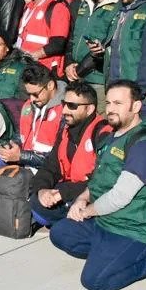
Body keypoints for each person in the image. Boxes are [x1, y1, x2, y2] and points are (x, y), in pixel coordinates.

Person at [49, 80, 146, 290]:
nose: (111, 109)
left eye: (118, 103)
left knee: (95, 281)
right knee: (60, 233)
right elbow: (99, 181)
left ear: (136, 106)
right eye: (109, 102)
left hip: (137, 227)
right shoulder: (113, 137)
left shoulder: (145, 144)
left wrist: (87, 211)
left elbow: (120, 196)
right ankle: (109, 255)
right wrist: (82, 198)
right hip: (108, 220)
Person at [30, 81, 111, 227]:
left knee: (62, 230)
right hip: (68, 193)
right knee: (36, 201)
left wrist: (64, 192)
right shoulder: (66, 131)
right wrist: (42, 190)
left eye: (72, 106)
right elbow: (50, 166)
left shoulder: (103, 133)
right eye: (64, 104)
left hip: (91, 196)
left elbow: (104, 180)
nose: (65, 110)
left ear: (90, 109)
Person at [0, 62, 63, 175]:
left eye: (35, 94)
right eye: (28, 94)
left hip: (46, 171)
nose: (32, 99)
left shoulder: (65, 111)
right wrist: (10, 147)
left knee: (6, 183)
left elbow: (60, 158)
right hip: (24, 163)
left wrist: (21, 156)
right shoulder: (29, 105)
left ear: (50, 86)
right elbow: (20, 135)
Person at [64, 0, 121, 108]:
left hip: (97, 79)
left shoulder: (118, 7)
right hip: (77, 76)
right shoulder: (84, 3)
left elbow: (106, 45)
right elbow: (73, 38)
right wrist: (69, 64)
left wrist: (78, 70)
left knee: (99, 123)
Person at [17, 0, 70, 77]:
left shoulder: (57, 8)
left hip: (44, 72)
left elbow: (57, 44)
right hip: (25, 67)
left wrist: (32, 55)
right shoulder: (28, 6)